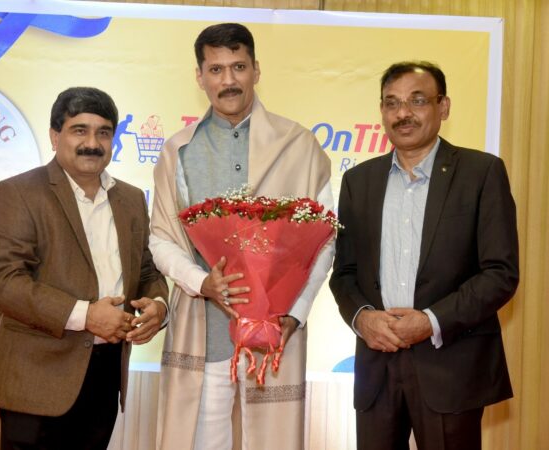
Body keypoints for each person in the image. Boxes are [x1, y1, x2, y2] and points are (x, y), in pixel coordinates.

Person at [150, 23, 333, 450]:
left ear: (256, 70)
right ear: (199, 77)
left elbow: (325, 239)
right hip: (203, 332)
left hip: (277, 332)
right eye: (216, 69)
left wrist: (295, 314)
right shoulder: (179, 151)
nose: (228, 80)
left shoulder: (298, 145)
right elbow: (160, 238)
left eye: (238, 67)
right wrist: (202, 283)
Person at [329, 61, 519, 450]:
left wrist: (431, 321)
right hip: (377, 365)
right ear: (382, 111)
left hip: (450, 363)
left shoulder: (481, 173)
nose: (403, 113)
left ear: (443, 107)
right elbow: (344, 273)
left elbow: (500, 273)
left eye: (417, 101)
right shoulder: (358, 181)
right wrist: (363, 319)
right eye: (392, 103)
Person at [0, 87, 169, 450]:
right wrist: (86, 315)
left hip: (105, 373)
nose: (92, 143)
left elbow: (146, 271)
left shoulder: (130, 199)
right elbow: (4, 282)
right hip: (35, 378)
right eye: (80, 130)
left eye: (103, 132)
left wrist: (158, 306)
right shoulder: (20, 193)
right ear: (54, 136)